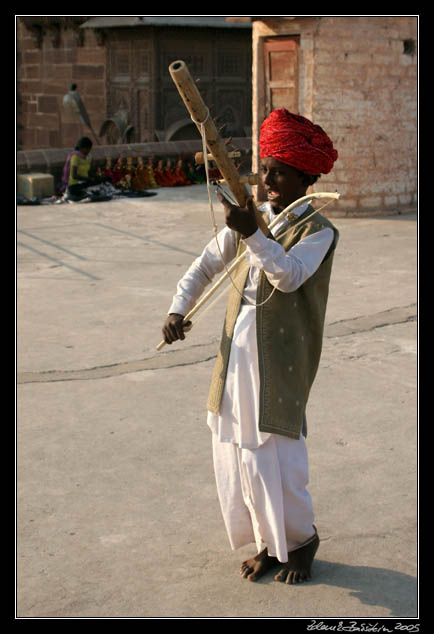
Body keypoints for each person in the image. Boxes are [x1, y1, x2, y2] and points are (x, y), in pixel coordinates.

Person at [161, 108, 339, 585]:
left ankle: (301, 542)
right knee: (240, 454)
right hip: (237, 359)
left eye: (279, 171)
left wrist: (253, 235)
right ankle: (267, 543)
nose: (267, 180)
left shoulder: (318, 231)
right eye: (266, 169)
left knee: (280, 456)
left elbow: (287, 275)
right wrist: (179, 309)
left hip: (279, 366)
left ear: (306, 176)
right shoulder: (253, 217)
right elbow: (204, 265)